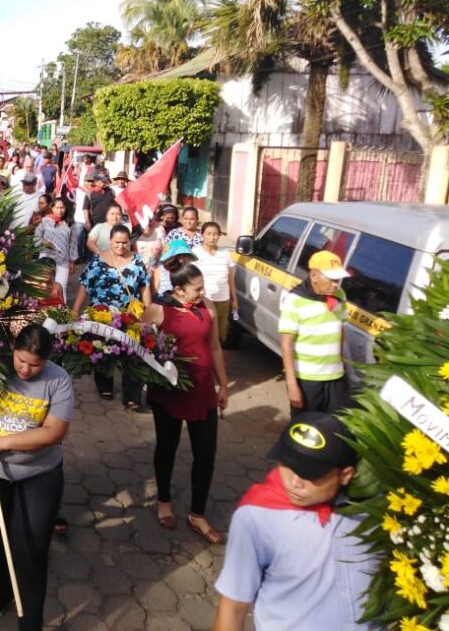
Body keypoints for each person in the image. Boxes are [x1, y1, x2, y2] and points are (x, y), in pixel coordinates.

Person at [214, 412, 377, 630]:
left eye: (311, 473)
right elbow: (233, 609)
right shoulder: (256, 519)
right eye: (288, 465)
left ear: (346, 475)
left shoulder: (373, 512)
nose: (294, 482)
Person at [0, 324, 73, 630]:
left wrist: (3, 442)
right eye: (20, 361)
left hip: (39, 473)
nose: (25, 370)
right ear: (12, 348)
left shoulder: (58, 380)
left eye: (35, 364)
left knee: (31, 547)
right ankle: (3, 590)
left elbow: (54, 432)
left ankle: (31, 619)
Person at [143, 264, 229, 545]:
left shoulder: (207, 307)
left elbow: (214, 347)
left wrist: (223, 385)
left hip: (203, 391)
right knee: (167, 448)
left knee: (206, 453)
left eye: (203, 287)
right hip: (170, 394)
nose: (203, 293)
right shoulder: (159, 310)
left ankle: (198, 514)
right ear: (178, 290)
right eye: (197, 289)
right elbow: (139, 345)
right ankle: (164, 501)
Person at [73, 224, 152, 405]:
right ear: (110, 241)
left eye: (124, 243)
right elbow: (85, 285)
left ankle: (132, 395)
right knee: (102, 350)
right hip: (101, 314)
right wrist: (75, 310)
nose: (121, 246)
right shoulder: (98, 260)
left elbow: (144, 286)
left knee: (132, 353)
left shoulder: (137, 260)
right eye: (117, 242)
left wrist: (147, 313)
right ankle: (105, 386)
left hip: (129, 315)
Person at [279, 250, 351, 414]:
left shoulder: (340, 295)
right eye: (331, 279)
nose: (335, 284)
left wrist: (341, 364)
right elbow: (286, 343)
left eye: (338, 280)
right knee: (306, 430)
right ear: (314, 275)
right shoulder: (295, 300)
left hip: (335, 377)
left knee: (333, 429)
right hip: (307, 379)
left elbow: (340, 329)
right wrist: (291, 384)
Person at [193, 222, 237, 343]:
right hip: (203, 300)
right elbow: (190, 279)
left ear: (219, 236)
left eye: (215, 234)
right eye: (209, 234)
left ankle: (216, 359)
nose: (212, 237)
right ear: (202, 235)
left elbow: (230, 278)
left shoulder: (225, 253)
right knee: (203, 333)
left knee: (220, 335)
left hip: (223, 300)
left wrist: (234, 299)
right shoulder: (195, 253)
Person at [34, 197, 77, 303]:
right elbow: (36, 238)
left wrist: (72, 261)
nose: (60, 210)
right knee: (45, 286)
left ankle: (63, 315)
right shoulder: (44, 221)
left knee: (62, 287)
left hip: (63, 260)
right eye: (57, 207)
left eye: (62, 207)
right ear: (52, 208)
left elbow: (73, 243)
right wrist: (43, 243)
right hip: (46, 259)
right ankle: (43, 311)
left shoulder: (70, 223)